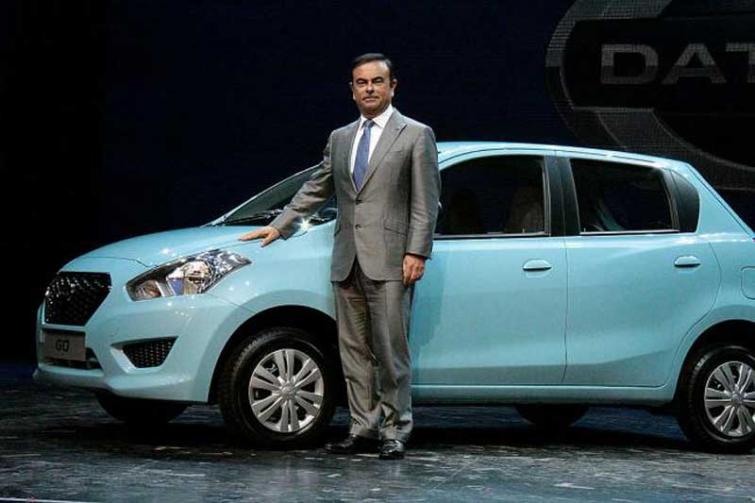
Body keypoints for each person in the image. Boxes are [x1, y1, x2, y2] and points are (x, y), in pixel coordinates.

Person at [239, 53, 440, 460]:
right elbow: (317, 186)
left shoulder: (416, 134)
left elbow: (427, 201)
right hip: (347, 259)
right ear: (352, 90)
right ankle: (363, 427)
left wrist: (416, 251)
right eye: (361, 83)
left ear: (393, 86)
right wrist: (281, 224)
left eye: (377, 81)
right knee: (353, 352)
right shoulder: (341, 137)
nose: (369, 89)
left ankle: (395, 430)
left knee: (390, 351)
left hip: (390, 260)